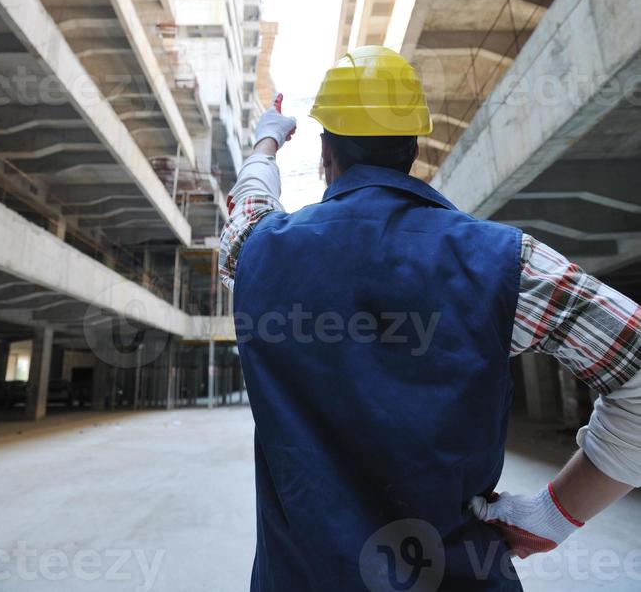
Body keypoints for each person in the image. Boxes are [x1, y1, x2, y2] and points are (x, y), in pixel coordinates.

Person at [219, 45, 641, 591]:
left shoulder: (259, 253)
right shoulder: (508, 262)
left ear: (327, 153)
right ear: (413, 149)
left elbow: (246, 208)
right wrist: (555, 513)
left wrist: (266, 142)